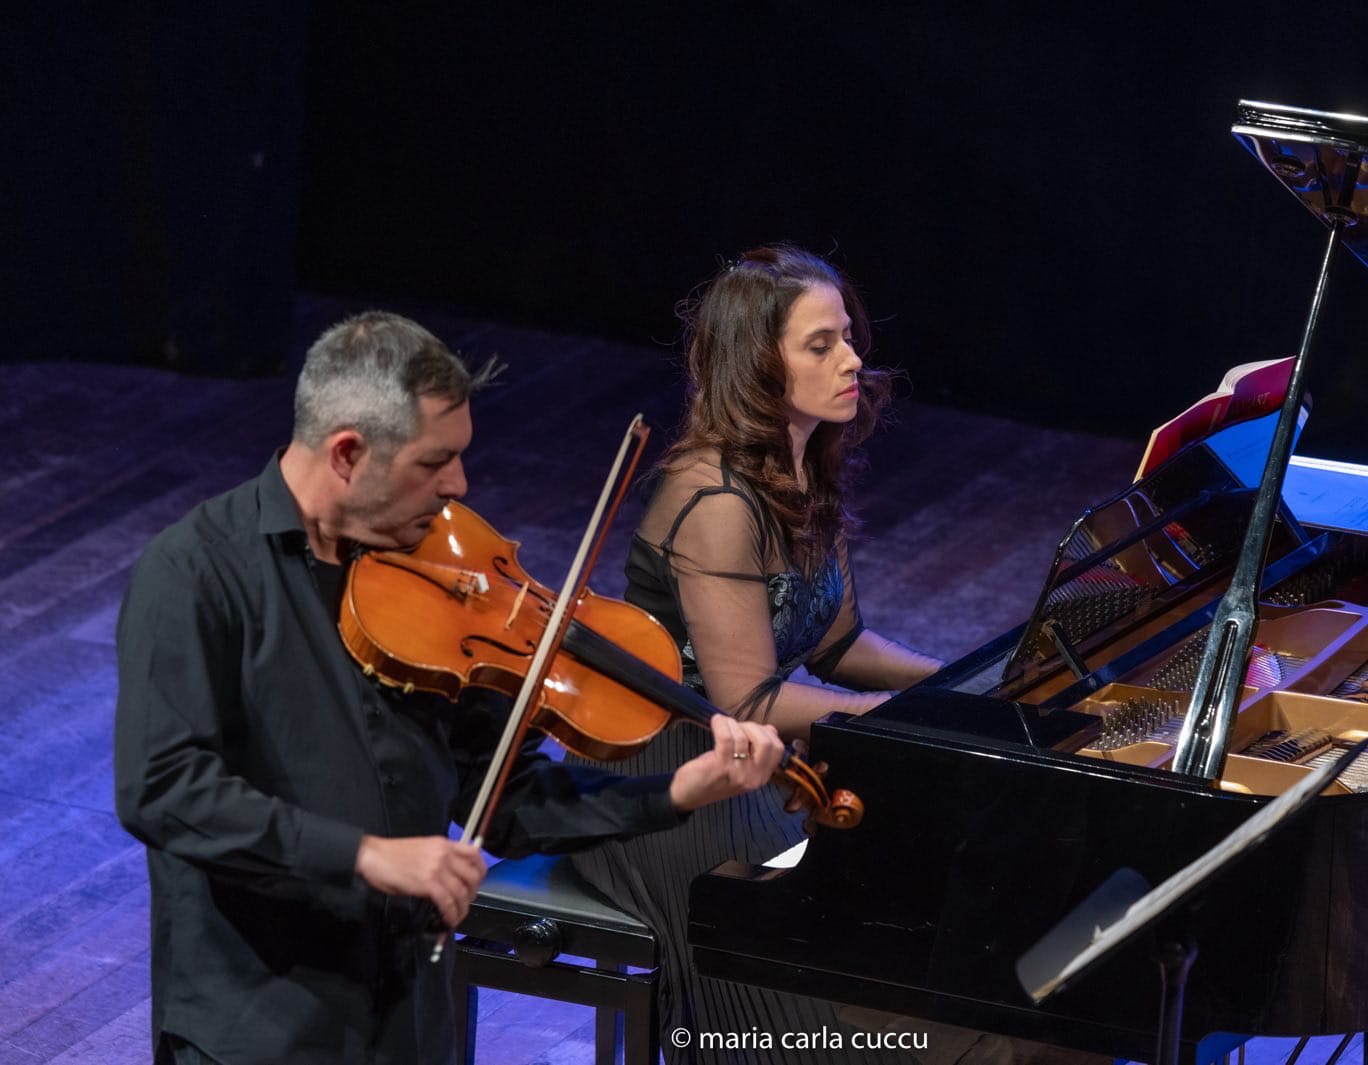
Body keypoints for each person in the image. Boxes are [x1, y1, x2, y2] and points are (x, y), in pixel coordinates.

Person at [112, 310, 786, 1065]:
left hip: (411, 1013)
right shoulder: (197, 573)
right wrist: (368, 855)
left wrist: (676, 793)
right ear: (346, 453)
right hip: (259, 1025)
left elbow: (505, 801)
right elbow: (165, 790)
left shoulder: (438, 586)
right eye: (434, 462)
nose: (459, 485)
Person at [571, 245, 949, 1064]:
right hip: (678, 769)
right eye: (822, 345)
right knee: (799, 985)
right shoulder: (712, 497)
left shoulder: (806, 466)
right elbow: (744, 697)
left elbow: (841, 643)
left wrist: (955, 685)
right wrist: (894, 719)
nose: (852, 359)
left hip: (760, 756)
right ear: (759, 366)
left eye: (847, 337)